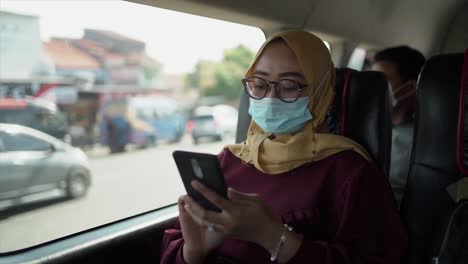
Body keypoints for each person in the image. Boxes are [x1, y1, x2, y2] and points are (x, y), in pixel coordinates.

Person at [161, 30, 407, 264]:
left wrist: (274, 237)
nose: (270, 98)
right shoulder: (230, 160)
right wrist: (193, 252)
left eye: (289, 86)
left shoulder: (349, 171)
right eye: (259, 84)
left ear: (322, 93)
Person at [372, 46, 426, 208]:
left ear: (409, 88)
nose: (372, 89)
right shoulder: (368, 129)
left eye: (381, 82)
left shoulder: (424, 140)